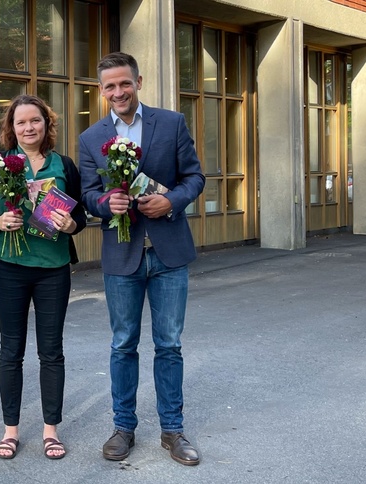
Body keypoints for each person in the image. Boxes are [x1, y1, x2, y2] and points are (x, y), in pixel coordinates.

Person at [77, 52, 205, 466]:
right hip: (122, 255)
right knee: (122, 344)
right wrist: (104, 202)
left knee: (169, 345)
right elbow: (87, 195)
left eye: (124, 83)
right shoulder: (90, 137)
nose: (118, 92)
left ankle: (173, 431)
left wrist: (170, 201)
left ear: (139, 82)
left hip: (168, 251)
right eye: (110, 86)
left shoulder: (170, 123)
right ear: (101, 91)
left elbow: (195, 178)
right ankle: (123, 427)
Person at [0, 95, 87, 460]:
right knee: (11, 351)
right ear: (11, 127)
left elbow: (81, 215)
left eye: (35, 121)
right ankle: (10, 431)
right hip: (9, 267)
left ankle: (50, 431)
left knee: (51, 351)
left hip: (53, 268)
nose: (29, 128)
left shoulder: (65, 165)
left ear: (46, 124)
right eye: (21, 122)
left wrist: (72, 224)